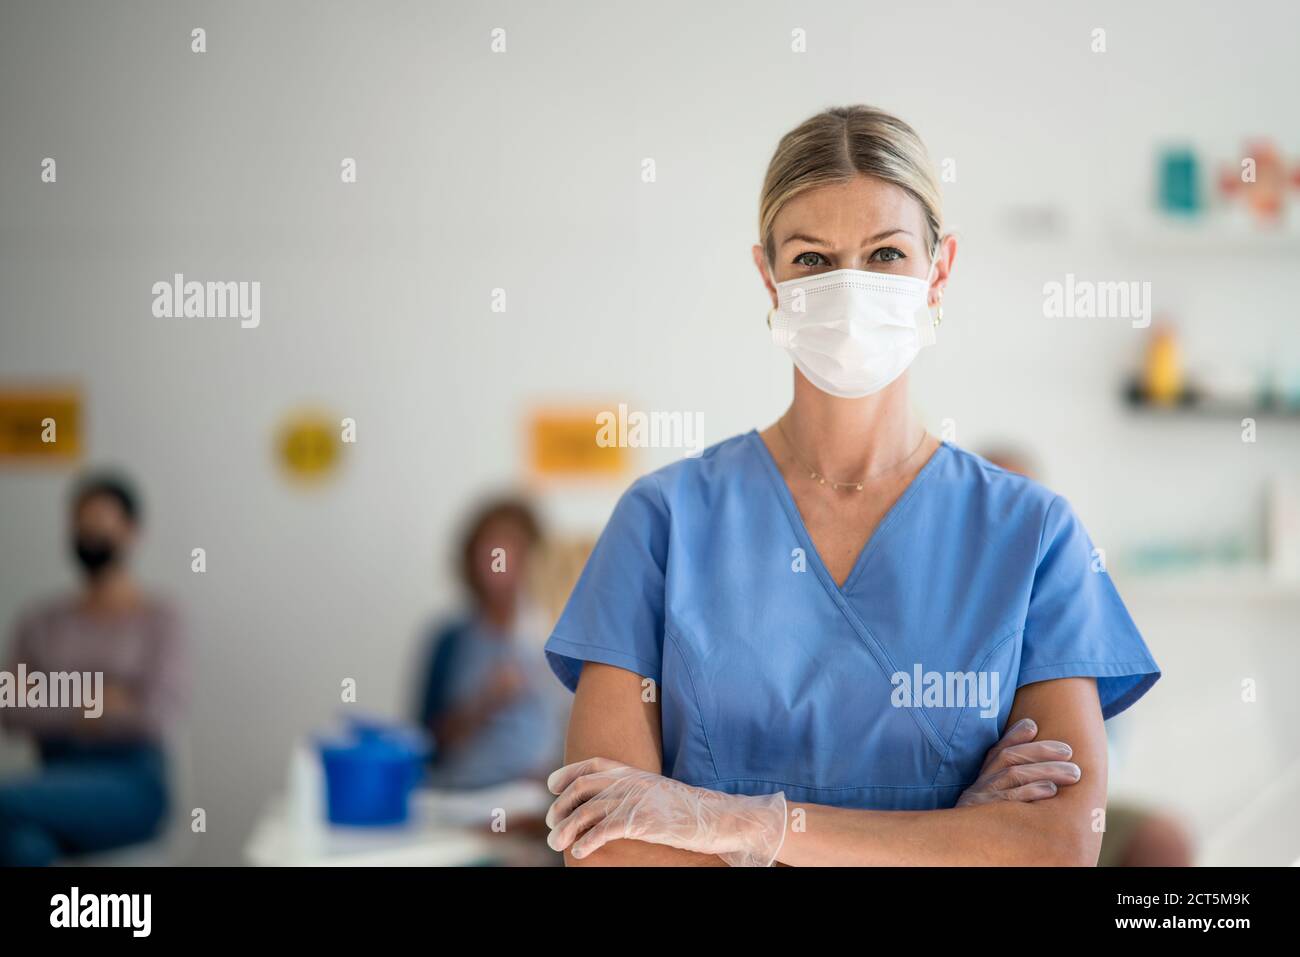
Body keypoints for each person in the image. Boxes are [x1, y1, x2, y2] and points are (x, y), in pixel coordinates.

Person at [541, 105, 1161, 866]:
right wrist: (948, 844)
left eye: (886, 253)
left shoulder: (1032, 536)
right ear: (767, 274)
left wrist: (736, 823)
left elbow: (1057, 847)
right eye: (811, 259)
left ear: (941, 268)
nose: (850, 289)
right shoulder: (664, 522)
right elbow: (607, 851)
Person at [0, 472, 187, 866]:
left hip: (131, 783)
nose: (90, 535)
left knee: (6, 802)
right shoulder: (41, 621)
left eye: (101, 524)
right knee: (23, 847)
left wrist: (53, 694)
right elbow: (11, 708)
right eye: (81, 524)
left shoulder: (159, 620)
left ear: (131, 532)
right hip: (54, 777)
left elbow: (153, 716)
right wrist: (101, 700)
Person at [415, 497, 564, 790]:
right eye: (490, 550)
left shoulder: (560, 639)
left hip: (536, 803)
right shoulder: (450, 641)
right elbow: (423, 744)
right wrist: (485, 702)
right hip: (461, 793)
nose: (499, 562)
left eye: (513, 548)